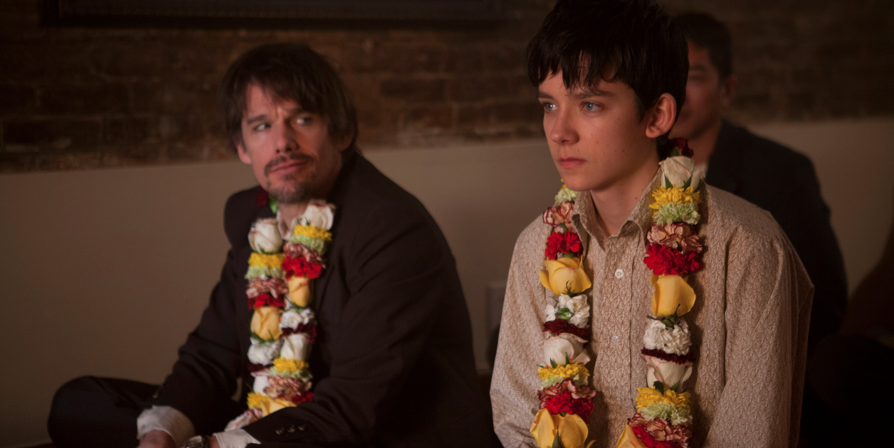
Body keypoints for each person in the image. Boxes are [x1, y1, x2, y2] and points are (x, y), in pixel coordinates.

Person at [48, 43, 499, 448]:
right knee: (80, 403)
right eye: (262, 125)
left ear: (341, 133)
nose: (283, 142)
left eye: (302, 119)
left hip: (370, 433)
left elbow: (353, 407)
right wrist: (162, 435)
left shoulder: (392, 227)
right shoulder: (252, 217)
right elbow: (210, 357)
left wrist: (212, 446)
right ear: (243, 148)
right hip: (276, 417)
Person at [490, 1, 813, 447]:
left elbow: (752, 437)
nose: (559, 131)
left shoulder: (746, 247)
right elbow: (516, 419)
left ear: (658, 115)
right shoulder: (536, 247)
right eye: (549, 104)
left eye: (589, 104)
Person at [669, 13, 847, 357]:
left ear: (727, 89)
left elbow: (824, 299)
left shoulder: (781, 172)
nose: (677, 93)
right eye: (666, 75)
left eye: (692, 77)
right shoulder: (639, 170)